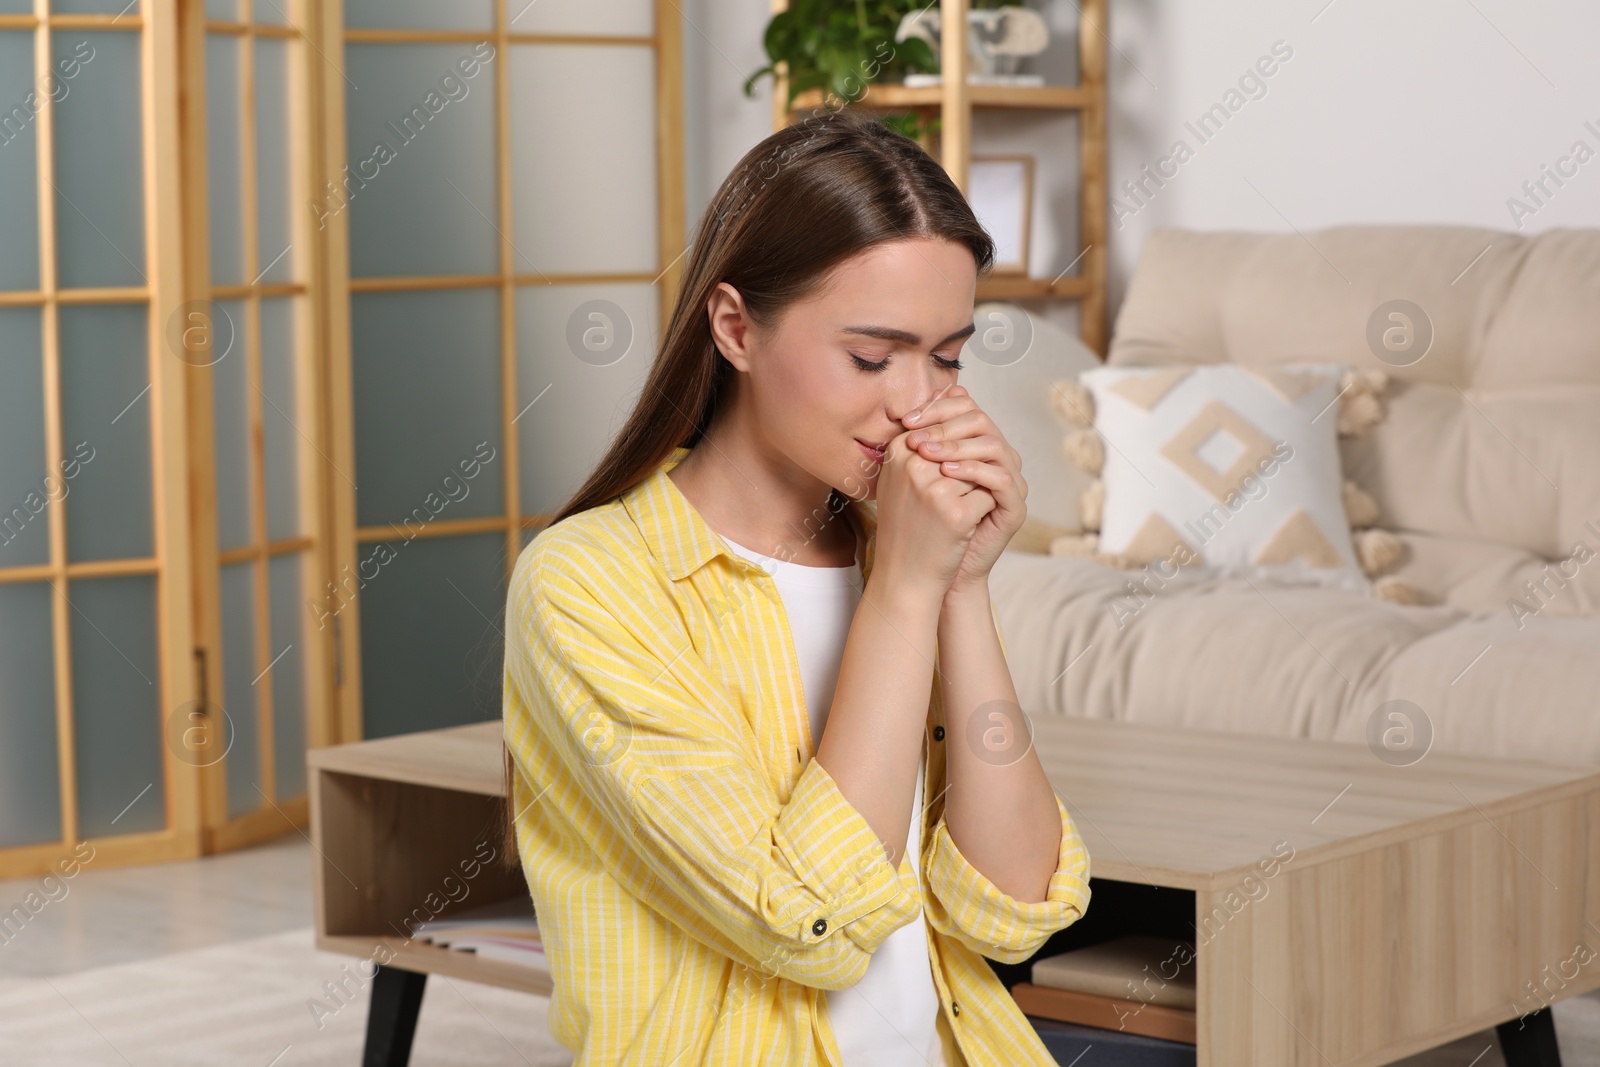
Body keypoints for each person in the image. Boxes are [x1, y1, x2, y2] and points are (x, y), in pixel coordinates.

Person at [500, 107, 1091, 1066]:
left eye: (947, 358)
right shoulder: (588, 582)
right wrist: (903, 591)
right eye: (872, 356)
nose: (918, 403)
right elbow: (800, 918)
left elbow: (1013, 908)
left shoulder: (897, 550)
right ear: (735, 327)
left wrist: (961, 587)